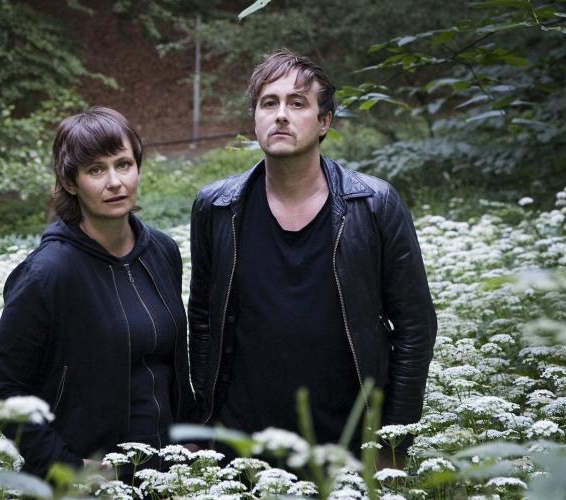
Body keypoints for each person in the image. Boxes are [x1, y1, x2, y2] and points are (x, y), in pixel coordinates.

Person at [187, 50, 437, 462]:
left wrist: (393, 443)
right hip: (241, 445)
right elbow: (202, 319)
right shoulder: (216, 207)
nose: (281, 115)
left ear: (324, 122)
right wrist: (206, 422)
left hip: (348, 443)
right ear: (255, 119)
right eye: (269, 103)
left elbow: (415, 328)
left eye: (297, 103)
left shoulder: (374, 205)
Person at [0, 107, 194, 478]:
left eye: (123, 164)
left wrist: (191, 439)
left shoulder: (162, 251)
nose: (115, 182)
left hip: (166, 471)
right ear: (70, 182)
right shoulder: (47, 274)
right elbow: (3, 389)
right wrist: (67, 467)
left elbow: (173, 365)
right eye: (96, 170)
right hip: (90, 477)